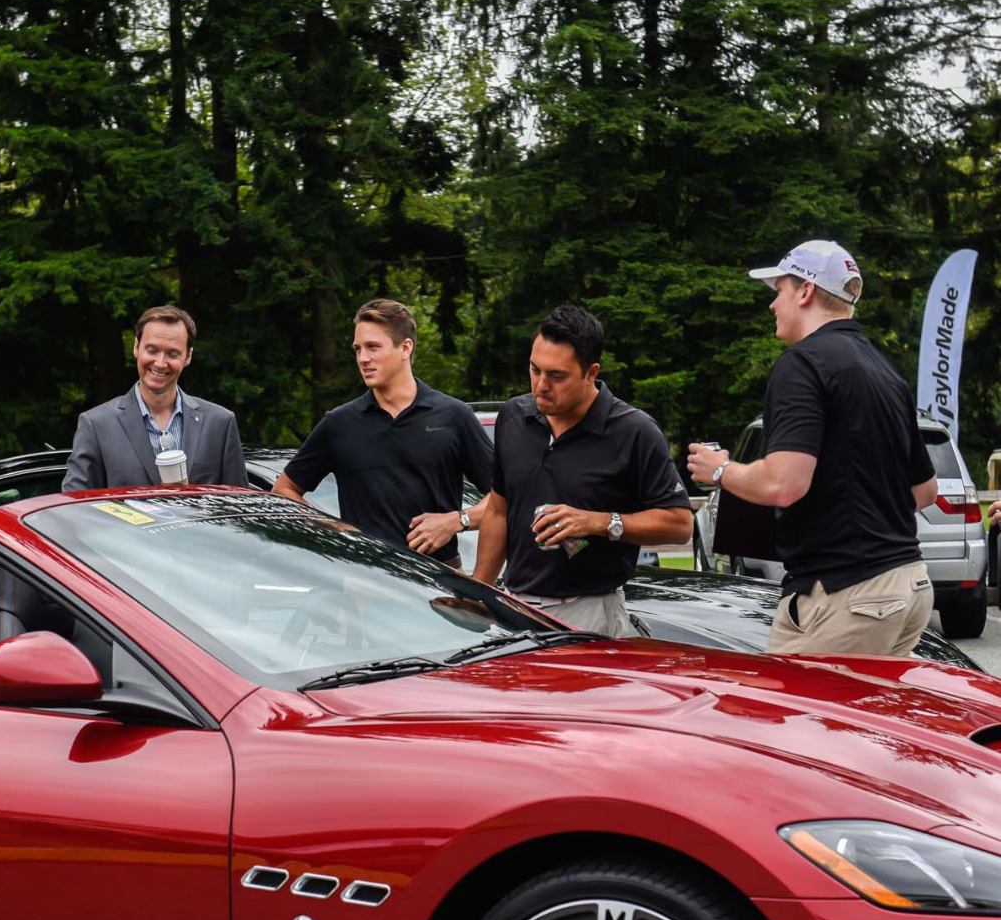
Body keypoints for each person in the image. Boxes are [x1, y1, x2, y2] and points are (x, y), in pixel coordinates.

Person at [687, 239, 937, 657]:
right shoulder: (885, 373)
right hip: (909, 586)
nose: (772, 305)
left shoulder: (800, 364)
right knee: (867, 721)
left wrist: (720, 470)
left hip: (848, 594)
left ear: (804, 292)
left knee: (802, 720)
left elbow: (784, 485)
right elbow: (924, 491)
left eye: (779, 291)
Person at [471, 305, 693, 637]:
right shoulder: (513, 416)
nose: (541, 385)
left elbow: (679, 525)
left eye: (557, 376)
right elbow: (498, 511)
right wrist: (479, 593)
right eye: (534, 370)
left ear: (591, 372)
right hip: (513, 609)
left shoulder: (634, 431)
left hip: (590, 614)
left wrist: (600, 522)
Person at [272, 299, 493, 567]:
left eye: (373, 347)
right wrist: (334, 529)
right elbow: (284, 489)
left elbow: (504, 499)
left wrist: (457, 520)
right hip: (366, 580)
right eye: (358, 349)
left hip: (442, 580)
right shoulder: (339, 423)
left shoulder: (454, 416)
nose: (363, 358)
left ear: (405, 348)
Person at [62, 305, 248, 491]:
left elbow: (241, 505)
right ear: (136, 347)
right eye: (152, 350)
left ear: (188, 356)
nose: (160, 363)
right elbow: (74, 508)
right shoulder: (96, 425)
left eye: (172, 354)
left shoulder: (220, 423)